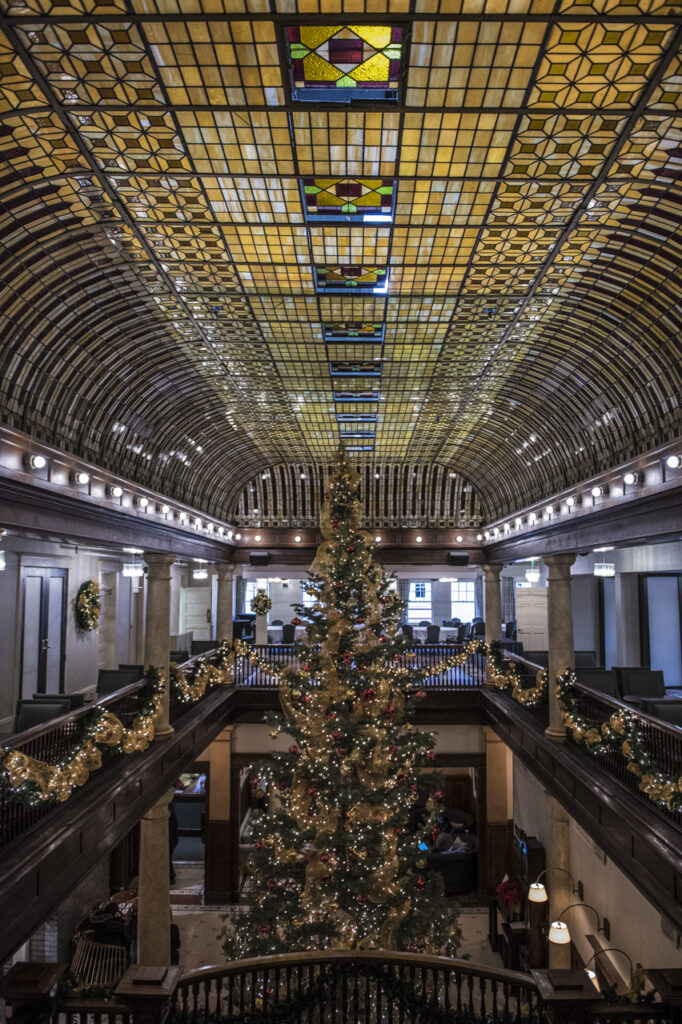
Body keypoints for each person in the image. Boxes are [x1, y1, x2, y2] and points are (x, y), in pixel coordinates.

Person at [169, 804, 179, 885]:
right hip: (171, 839)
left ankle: (171, 876)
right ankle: (170, 876)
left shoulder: (172, 817)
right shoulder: (171, 815)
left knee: (167, 856)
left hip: (171, 839)